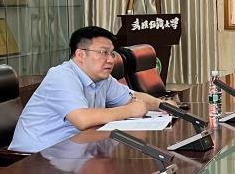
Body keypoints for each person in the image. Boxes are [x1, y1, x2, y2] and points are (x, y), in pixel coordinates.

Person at [10, 25, 167, 153]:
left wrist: (162, 105)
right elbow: (82, 119)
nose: (110, 60)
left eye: (112, 54)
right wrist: (130, 111)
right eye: (103, 52)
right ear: (80, 55)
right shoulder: (61, 76)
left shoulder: (102, 78)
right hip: (35, 158)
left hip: (73, 152)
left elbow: (131, 97)